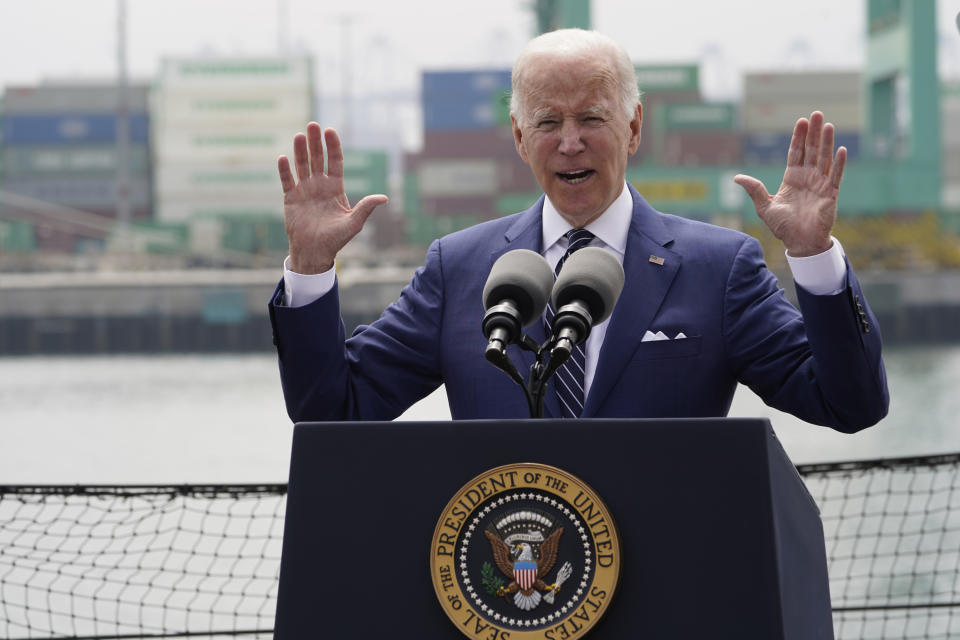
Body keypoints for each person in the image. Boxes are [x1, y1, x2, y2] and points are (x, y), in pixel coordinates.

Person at [267, 29, 888, 431]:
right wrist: (311, 269)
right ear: (518, 138)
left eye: (592, 117)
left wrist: (812, 256)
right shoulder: (457, 268)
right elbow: (333, 412)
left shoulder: (719, 267)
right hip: (508, 601)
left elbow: (850, 405)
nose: (570, 142)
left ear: (634, 127)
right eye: (547, 123)